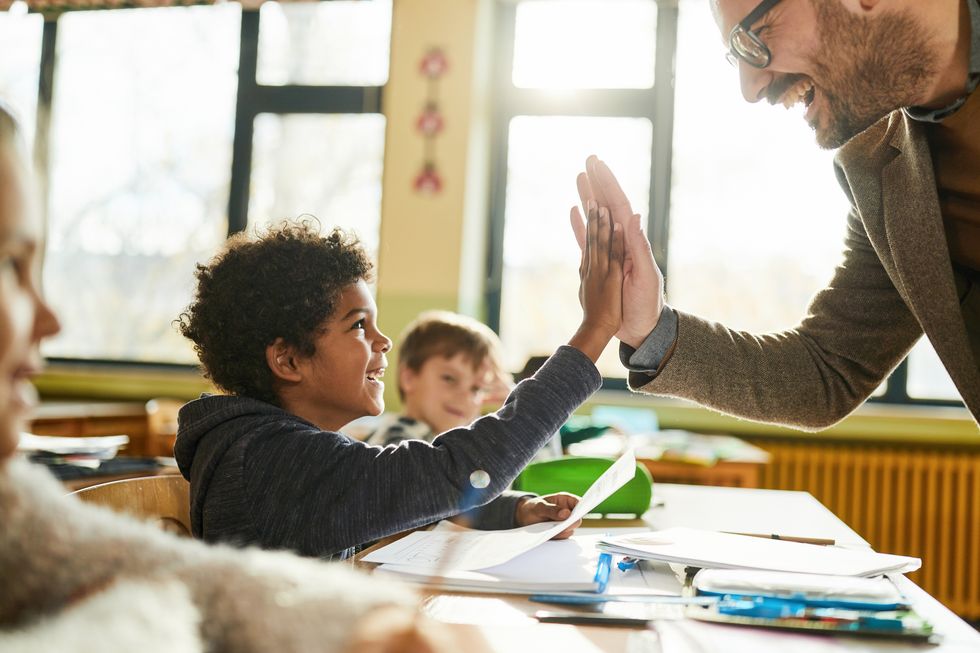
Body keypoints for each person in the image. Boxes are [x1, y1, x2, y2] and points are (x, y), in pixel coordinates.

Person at [0, 103, 459, 653]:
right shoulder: (268, 455)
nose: (52, 320)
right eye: (9, 263)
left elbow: (187, 576)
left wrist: (362, 621)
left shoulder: (13, 503)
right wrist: (586, 341)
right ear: (285, 360)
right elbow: (437, 472)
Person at [571, 0, 980, 429]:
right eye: (737, 55)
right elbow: (826, 370)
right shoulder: (876, 168)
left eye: (757, 34)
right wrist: (650, 328)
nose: (750, 89)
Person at [174, 207, 623, 559]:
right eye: (357, 326)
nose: (384, 341)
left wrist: (514, 509)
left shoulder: (269, 450)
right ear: (288, 359)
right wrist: (596, 329)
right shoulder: (274, 463)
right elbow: (457, 468)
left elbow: (398, 497)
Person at [366, 310, 511, 446]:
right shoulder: (397, 439)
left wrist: (510, 403)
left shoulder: (448, 440)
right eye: (450, 379)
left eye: (476, 389)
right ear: (409, 378)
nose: (465, 397)